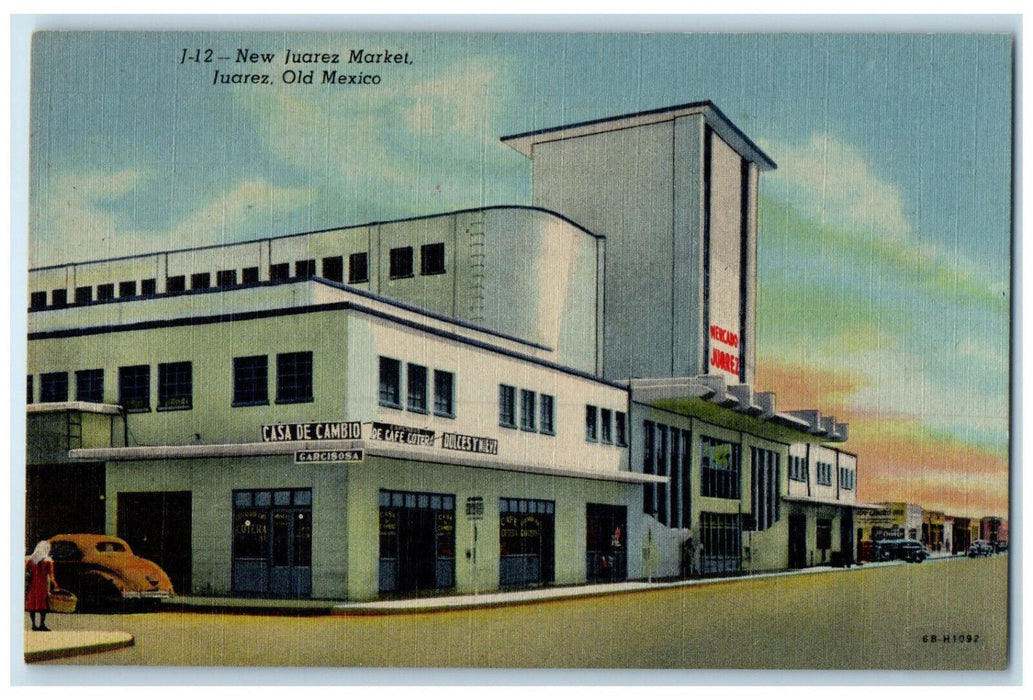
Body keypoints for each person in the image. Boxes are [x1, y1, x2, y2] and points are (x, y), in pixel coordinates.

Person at [25, 540, 57, 632]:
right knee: (43, 605)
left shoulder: (30, 560)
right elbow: (51, 575)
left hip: (33, 585)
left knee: (32, 605)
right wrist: (55, 585)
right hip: (42, 586)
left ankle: (34, 625)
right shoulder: (48, 561)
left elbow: (26, 571)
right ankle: (42, 624)